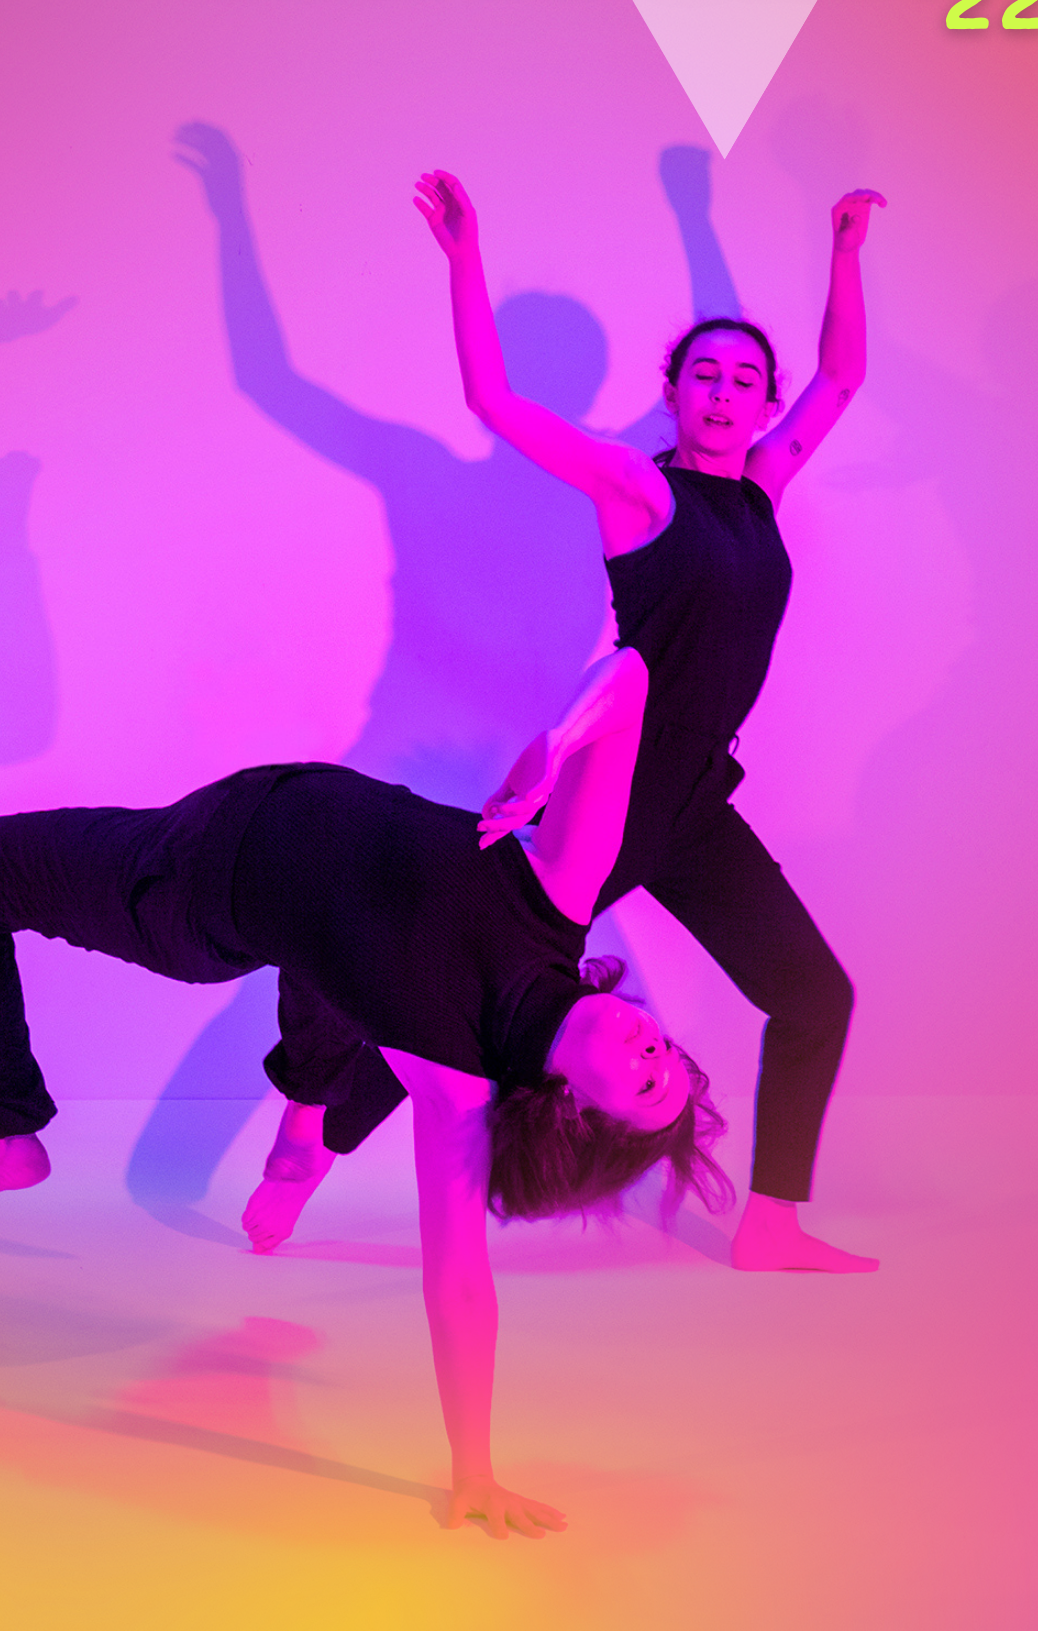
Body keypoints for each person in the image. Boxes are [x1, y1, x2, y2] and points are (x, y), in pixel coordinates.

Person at [278, 169, 886, 1272]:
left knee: (815, 997)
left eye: (746, 379)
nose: (724, 391)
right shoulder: (637, 491)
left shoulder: (767, 486)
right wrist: (466, 257)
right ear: (677, 390)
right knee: (457, 980)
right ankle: (316, 1130)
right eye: (704, 372)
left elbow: (842, 375)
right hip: (611, 791)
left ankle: (771, 1222)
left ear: (761, 404)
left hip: (695, 802)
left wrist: (842, 249)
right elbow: (496, 407)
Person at [0, 645, 730, 1535]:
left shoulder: (454, 1088)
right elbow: (632, 678)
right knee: (348, 961)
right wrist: (556, 746)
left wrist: (475, 1472)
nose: (657, 1048)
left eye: (647, 1086)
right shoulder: (561, 888)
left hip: (194, 883)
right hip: (275, 813)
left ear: (581, 1111)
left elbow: (461, 1290)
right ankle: (302, 1132)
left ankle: (11, 1129)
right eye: (671, 1057)